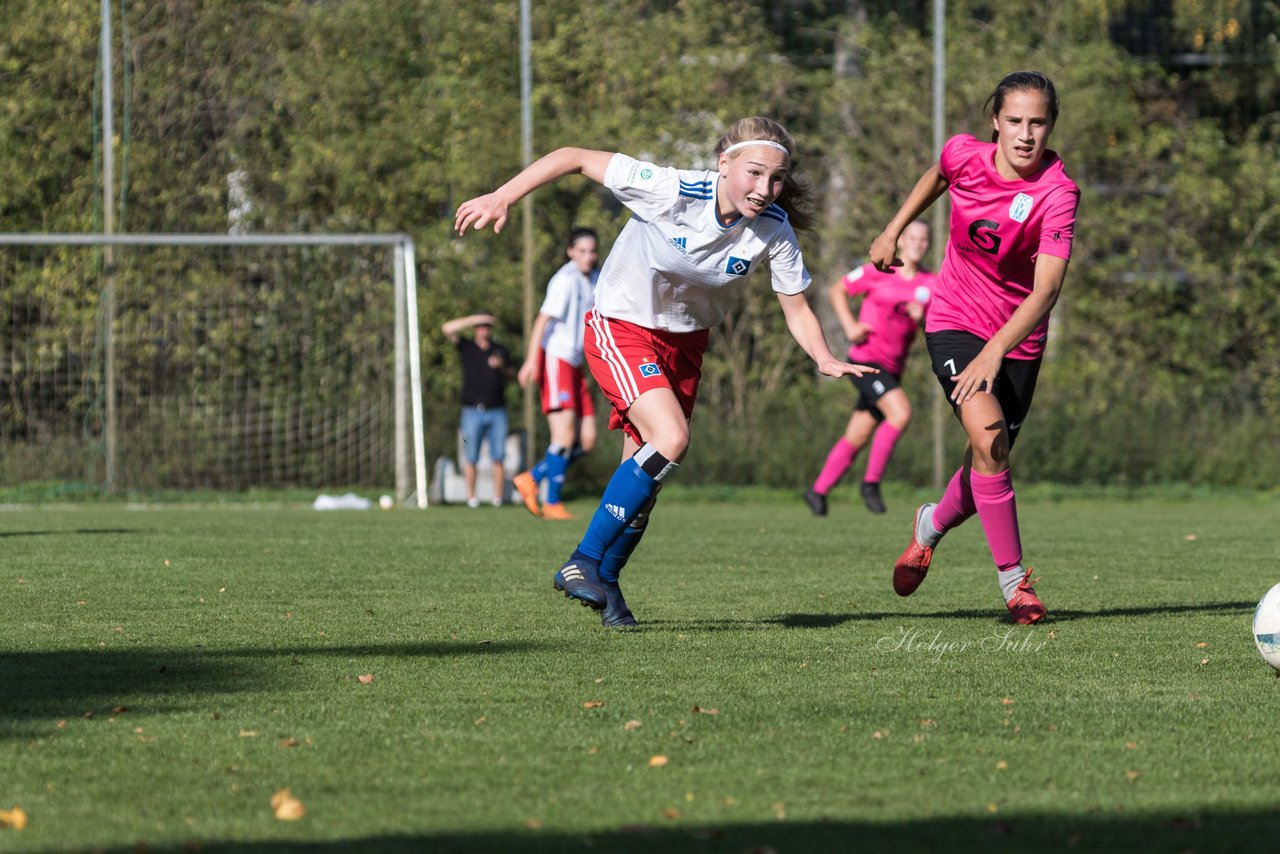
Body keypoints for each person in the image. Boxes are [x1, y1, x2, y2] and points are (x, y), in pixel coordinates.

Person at [455, 116, 877, 627]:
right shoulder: (672, 190)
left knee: (647, 476)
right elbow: (573, 155)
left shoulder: (773, 229)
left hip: (686, 345)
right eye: (754, 173)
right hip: (621, 326)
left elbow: (796, 307)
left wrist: (823, 357)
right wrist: (503, 195)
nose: (765, 189)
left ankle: (606, 583)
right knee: (673, 439)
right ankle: (582, 561)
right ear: (724, 164)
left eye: (776, 179)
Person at [868, 71, 1080, 625]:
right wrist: (894, 227)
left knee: (988, 458)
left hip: (1020, 340)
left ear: (1051, 125)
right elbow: (939, 173)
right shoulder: (965, 154)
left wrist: (997, 352)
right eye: (1015, 121)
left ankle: (929, 527)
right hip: (955, 319)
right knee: (989, 439)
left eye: (1038, 122)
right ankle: (1015, 584)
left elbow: (1047, 290)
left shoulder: (1057, 193)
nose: (1026, 134)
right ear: (995, 121)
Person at [804, 220, 935, 517]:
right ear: (900, 241)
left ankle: (818, 490)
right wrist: (850, 326)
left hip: (893, 368)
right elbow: (838, 290)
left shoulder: (931, 284)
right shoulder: (878, 270)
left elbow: (939, 325)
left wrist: (922, 319)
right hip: (867, 362)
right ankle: (871, 484)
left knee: (859, 433)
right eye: (911, 237)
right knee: (900, 413)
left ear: (928, 244)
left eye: (923, 239)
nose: (917, 243)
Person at [512, 228, 601, 521]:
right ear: (570, 252)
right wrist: (531, 360)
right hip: (557, 359)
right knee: (563, 435)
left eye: (592, 251)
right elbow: (543, 320)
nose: (588, 256)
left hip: (576, 365)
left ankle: (532, 477)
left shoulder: (595, 279)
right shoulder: (564, 280)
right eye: (582, 251)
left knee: (586, 440)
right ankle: (552, 503)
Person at [441, 313, 513, 508]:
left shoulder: (500, 350)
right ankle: (471, 498)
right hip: (471, 411)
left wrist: (502, 366)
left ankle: (498, 499)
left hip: (497, 411)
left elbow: (513, 374)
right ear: (475, 328)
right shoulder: (467, 347)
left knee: (498, 456)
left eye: (487, 326)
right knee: (470, 455)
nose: (483, 329)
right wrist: (474, 318)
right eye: (480, 326)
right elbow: (446, 328)